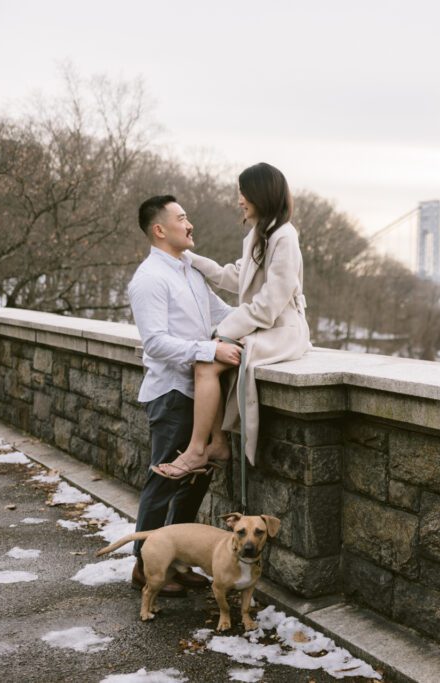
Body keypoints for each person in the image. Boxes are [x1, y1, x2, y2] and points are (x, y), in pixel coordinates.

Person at [151, 163, 310, 477]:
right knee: (209, 356)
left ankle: (199, 450)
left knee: (208, 360)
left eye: (243, 192)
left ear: (260, 194)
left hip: (282, 331)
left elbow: (270, 304)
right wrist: (190, 259)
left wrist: (222, 331)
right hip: (262, 327)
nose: (239, 199)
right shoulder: (258, 234)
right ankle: (217, 443)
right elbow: (235, 276)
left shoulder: (284, 236)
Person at [127, 195, 243, 595]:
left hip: (201, 392)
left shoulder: (190, 270)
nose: (190, 224)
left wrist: (270, 319)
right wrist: (209, 350)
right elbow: (156, 343)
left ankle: (175, 561)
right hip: (173, 393)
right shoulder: (149, 279)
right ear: (160, 229)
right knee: (162, 482)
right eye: (182, 218)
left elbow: (221, 315)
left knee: (195, 481)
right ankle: (145, 567)